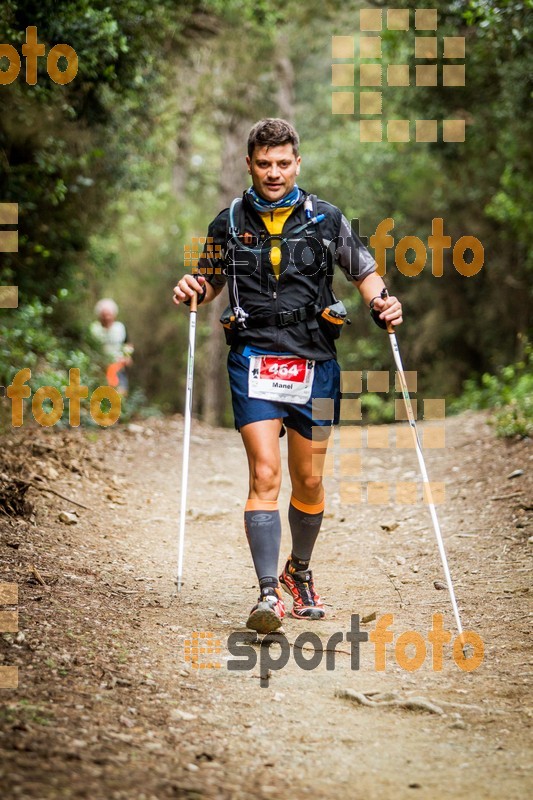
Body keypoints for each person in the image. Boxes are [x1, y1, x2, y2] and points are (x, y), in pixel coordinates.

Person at [173, 118, 402, 634]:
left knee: (311, 479)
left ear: (297, 163)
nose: (273, 173)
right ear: (249, 164)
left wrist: (384, 304)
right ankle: (267, 593)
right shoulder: (228, 222)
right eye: (263, 163)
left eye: (282, 163)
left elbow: (363, 270)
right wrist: (192, 287)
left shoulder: (326, 218)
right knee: (265, 475)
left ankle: (298, 571)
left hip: (315, 361)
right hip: (253, 359)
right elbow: (208, 282)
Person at [91, 298, 133, 396]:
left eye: (109, 315)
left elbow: (127, 344)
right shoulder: (94, 329)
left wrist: (127, 356)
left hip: (117, 366)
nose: (107, 318)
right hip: (100, 367)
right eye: (104, 315)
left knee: (121, 393)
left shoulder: (120, 328)